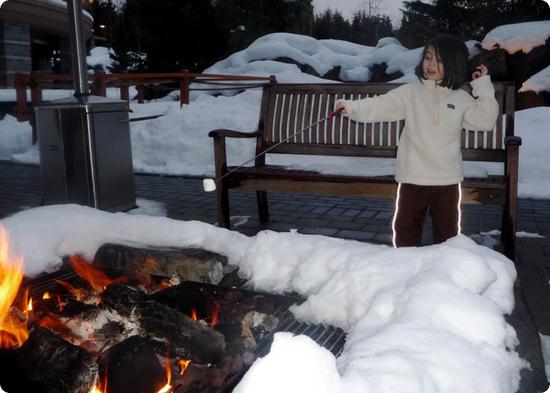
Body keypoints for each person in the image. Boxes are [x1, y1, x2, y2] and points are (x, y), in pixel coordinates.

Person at [335, 34, 499, 248]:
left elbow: (485, 121)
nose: (430, 64)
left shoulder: (461, 98)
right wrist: (352, 108)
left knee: (448, 235)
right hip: (412, 177)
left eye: (439, 60)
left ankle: (445, 272)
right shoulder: (410, 93)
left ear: (454, 64)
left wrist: (483, 87)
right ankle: (406, 269)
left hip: (446, 180)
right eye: (428, 57)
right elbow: (380, 105)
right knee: (406, 230)